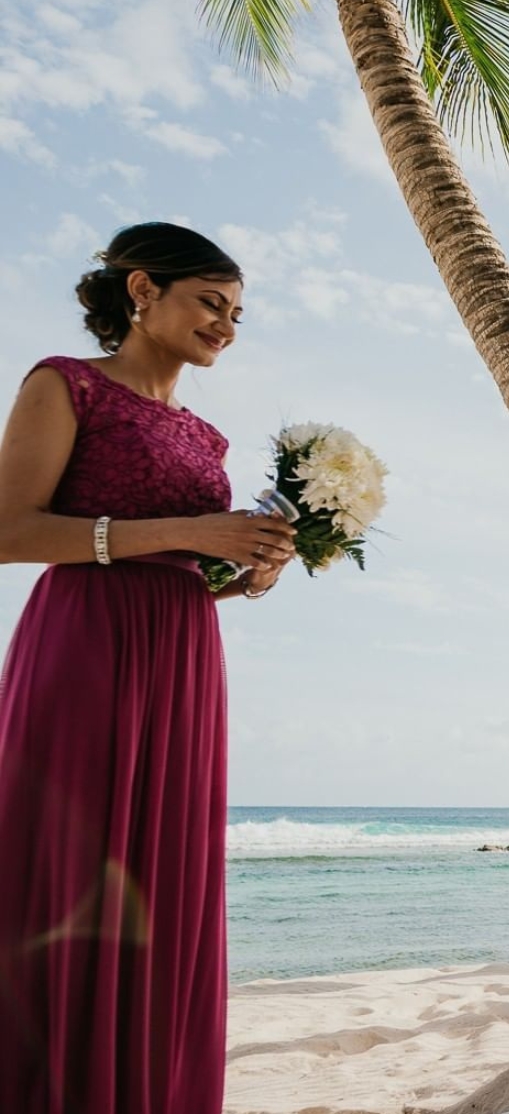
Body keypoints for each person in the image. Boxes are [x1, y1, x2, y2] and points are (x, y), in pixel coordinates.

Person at [0, 222, 297, 1114]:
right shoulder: (66, 385)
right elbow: (11, 532)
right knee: (75, 864)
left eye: (238, 314)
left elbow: (177, 569)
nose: (227, 327)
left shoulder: (206, 437)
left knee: (164, 887)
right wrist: (189, 533)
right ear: (141, 291)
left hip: (181, 658)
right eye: (211, 302)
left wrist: (247, 570)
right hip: (85, 648)